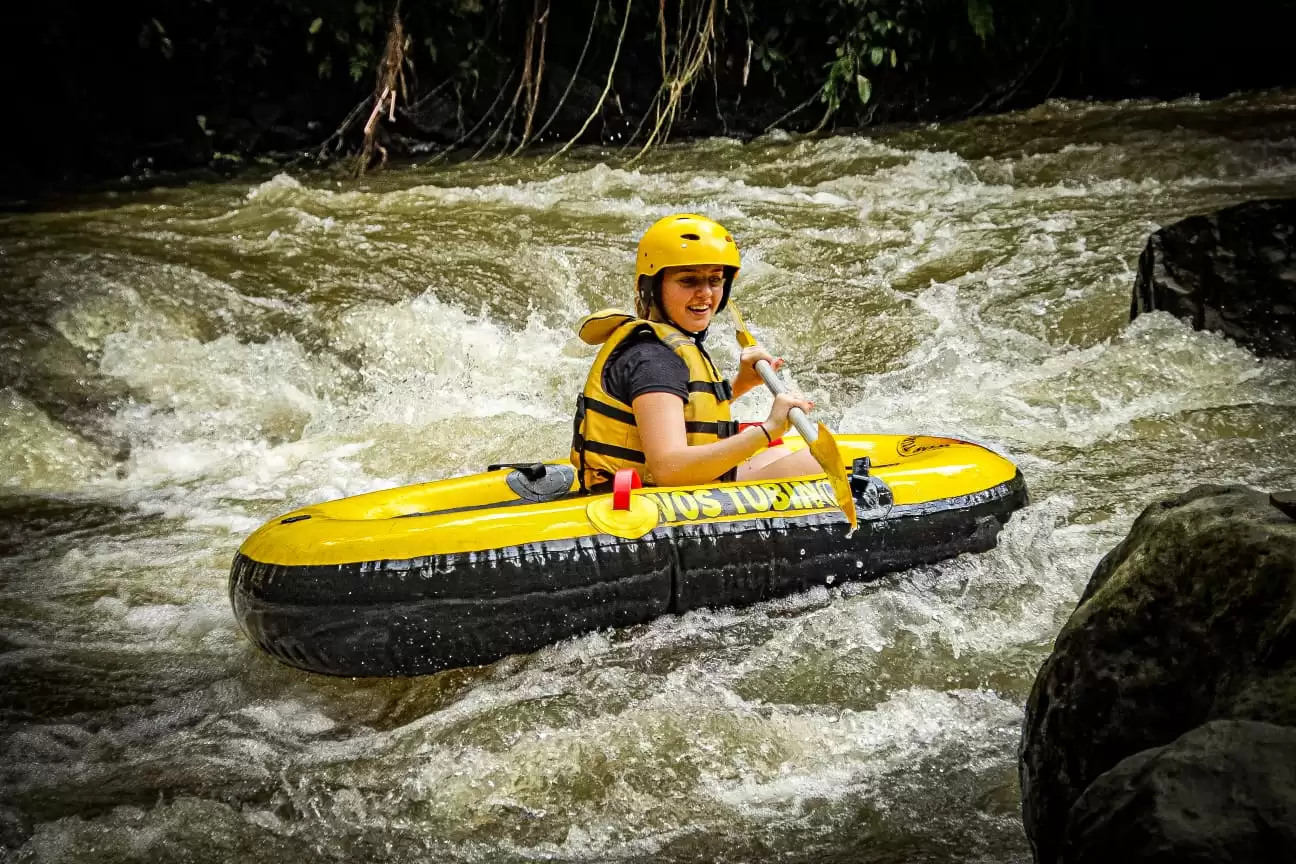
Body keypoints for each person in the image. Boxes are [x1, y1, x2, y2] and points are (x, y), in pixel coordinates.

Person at [570, 213, 823, 491]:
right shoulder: (653, 360)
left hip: (663, 485)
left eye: (715, 280)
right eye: (689, 281)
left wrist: (740, 385)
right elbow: (669, 468)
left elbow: (681, 413)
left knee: (780, 453)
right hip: (649, 500)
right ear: (652, 287)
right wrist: (768, 429)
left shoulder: (660, 348)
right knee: (819, 463)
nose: (705, 293)